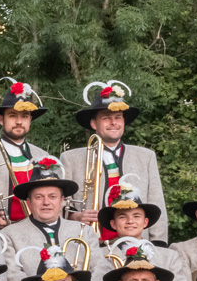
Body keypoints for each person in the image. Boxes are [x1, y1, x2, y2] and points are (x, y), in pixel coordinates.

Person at [61, 81, 166, 243]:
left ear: (123, 122)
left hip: (138, 243)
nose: (113, 123)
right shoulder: (70, 158)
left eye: (118, 117)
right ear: (94, 123)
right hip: (90, 242)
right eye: (106, 118)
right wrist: (75, 215)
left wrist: (159, 244)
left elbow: (157, 203)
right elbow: (59, 205)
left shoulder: (146, 156)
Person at [0, 160, 95, 281]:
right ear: (29, 202)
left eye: (52, 197)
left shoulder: (84, 230)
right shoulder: (9, 235)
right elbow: (12, 278)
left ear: (62, 200)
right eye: (39, 197)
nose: (46, 202)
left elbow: (99, 267)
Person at [0, 78, 56, 227]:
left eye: (24, 116)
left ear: (30, 120)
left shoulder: (42, 155)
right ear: (0, 119)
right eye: (12, 115)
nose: (19, 121)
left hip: (36, 233)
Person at [98, 182, 190, 281]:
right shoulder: (99, 255)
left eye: (136, 216)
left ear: (145, 222)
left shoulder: (169, 256)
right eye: (123, 216)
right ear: (113, 224)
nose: (130, 221)